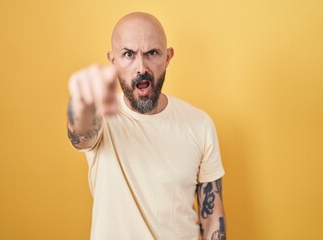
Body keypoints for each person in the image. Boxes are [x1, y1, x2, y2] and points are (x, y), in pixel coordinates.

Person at [67, 12, 226, 240]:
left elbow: (212, 219)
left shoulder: (200, 125)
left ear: (168, 57)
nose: (141, 68)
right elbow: (81, 134)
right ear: (113, 62)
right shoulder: (102, 117)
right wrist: (83, 102)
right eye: (129, 54)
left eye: (152, 53)